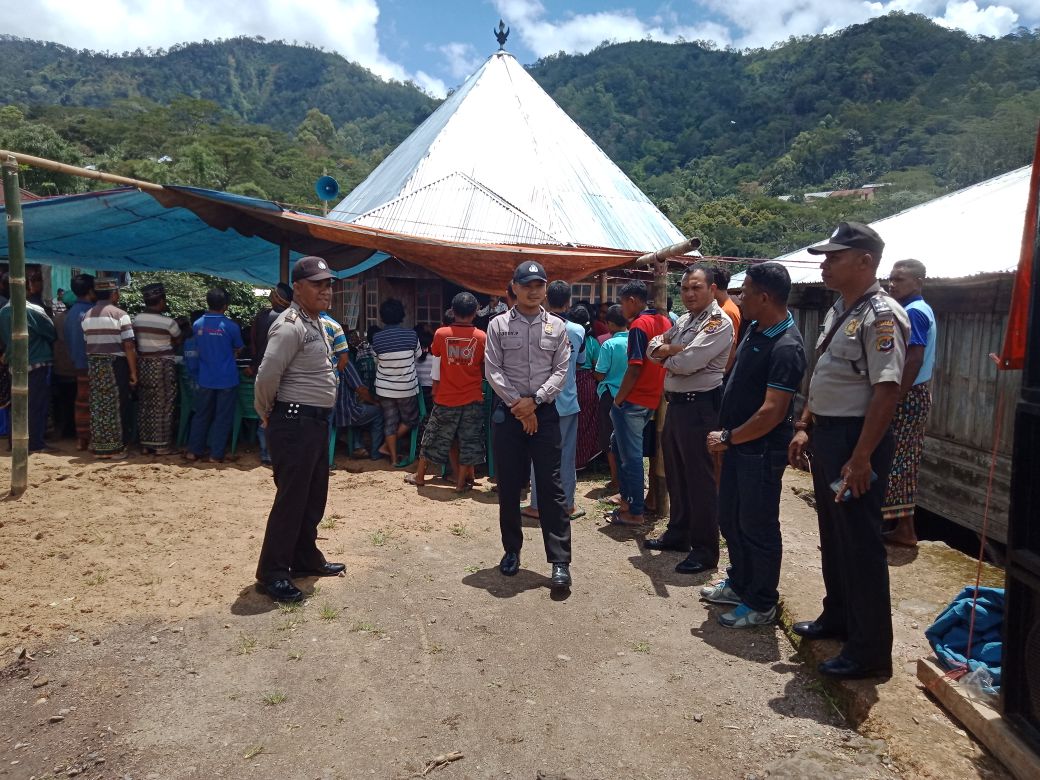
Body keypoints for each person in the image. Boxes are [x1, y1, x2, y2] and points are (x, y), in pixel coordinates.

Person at [788, 221, 909, 679]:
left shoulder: (882, 315)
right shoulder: (843, 309)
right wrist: (804, 425)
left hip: (859, 441)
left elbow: (886, 390)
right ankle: (837, 616)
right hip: (830, 434)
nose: (825, 263)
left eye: (835, 256)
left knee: (859, 544)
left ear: (865, 261)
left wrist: (860, 458)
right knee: (835, 536)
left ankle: (869, 651)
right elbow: (826, 378)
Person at [705, 263, 806, 628]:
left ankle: (761, 601)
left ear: (764, 297)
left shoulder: (786, 346)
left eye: (744, 291)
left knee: (757, 524)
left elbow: (772, 412)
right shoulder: (755, 329)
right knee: (731, 517)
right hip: (739, 445)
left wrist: (730, 436)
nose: (738, 297)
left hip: (760, 450)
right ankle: (740, 583)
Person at [254, 256, 344, 603]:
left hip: (313, 423)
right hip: (294, 421)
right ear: (298, 288)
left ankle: (305, 557)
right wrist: (266, 412)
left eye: (329, 284)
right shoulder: (290, 324)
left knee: (312, 496)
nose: (326, 290)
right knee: (292, 499)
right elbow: (267, 375)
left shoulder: (316, 322)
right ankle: (273, 572)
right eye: (318, 284)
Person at [485, 261, 572, 588]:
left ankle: (560, 561)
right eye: (527, 285)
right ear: (515, 288)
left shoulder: (558, 327)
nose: (534, 290)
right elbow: (493, 370)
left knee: (551, 488)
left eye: (540, 284)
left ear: (546, 288)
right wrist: (519, 406)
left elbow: (561, 370)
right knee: (509, 486)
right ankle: (511, 551)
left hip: (544, 412)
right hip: (509, 414)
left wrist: (534, 401)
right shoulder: (498, 325)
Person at [644, 265, 732, 574]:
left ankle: (705, 549)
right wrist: (671, 349)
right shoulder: (684, 320)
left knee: (700, 480)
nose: (689, 293)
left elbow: (687, 363)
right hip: (678, 406)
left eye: (696, 288)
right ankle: (678, 533)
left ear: (711, 289)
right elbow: (652, 346)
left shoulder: (718, 323)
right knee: (677, 474)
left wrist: (669, 353)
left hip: (701, 408)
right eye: (685, 288)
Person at [881, 259, 937, 547]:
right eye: (891, 279)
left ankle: (900, 529)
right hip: (916, 393)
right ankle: (904, 528)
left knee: (895, 459)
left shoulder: (914, 312)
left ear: (918, 282)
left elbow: (914, 357)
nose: (893, 284)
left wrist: (895, 395)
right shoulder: (919, 309)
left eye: (900, 279)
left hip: (908, 394)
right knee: (906, 460)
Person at [606, 281, 671, 526]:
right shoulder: (665, 322)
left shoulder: (638, 326)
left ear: (632, 300)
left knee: (629, 456)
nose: (621, 308)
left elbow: (634, 368)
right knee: (619, 445)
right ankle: (628, 500)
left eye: (622, 302)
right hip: (652, 399)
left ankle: (634, 510)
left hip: (634, 400)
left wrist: (618, 400)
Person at [408, 292, 487, 491]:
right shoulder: (481, 337)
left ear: (453, 310)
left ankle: (420, 476)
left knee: (433, 436)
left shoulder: (441, 334)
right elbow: (484, 367)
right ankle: (461, 483)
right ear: (476, 312)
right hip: (472, 397)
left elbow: (436, 357)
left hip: (446, 397)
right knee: (468, 440)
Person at [523, 281, 585, 520]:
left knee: (539, 455)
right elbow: (580, 363)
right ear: (569, 302)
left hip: (540, 401)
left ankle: (537, 506)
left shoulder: (536, 327)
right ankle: (567, 505)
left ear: (546, 299)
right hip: (567, 400)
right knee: (566, 456)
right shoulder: (578, 331)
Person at [185, 288, 243, 463]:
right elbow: (239, 347)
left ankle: (193, 451)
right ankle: (215, 455)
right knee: (222, 417)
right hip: (227, 379)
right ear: (225, 306)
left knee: (201, 415)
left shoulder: (197, 325)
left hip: (205, 378)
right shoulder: (231, 327)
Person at [82, 278, 137, 459]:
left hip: (95, 366)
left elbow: (87, 342)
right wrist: (133, 372)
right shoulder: (120, 315)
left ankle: (100, 446)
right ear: (114, 294)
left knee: (99, 405)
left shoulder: (87, 315)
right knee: (117, 404)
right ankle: (116, 449)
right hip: (115, 364)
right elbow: (128, 346)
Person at [0, 281, 57, 453]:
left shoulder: (3, 312)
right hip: (36, 363)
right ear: (25, 289)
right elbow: (51, 333)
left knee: (16, 405)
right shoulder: (33, 310)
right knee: (35, 405)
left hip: (14, 364)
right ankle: (35, 444)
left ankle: (14, 442)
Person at [133, 283, 182, 455]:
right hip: (162, 365)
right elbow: (177, 340)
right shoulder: (168, 322)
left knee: (146, 403)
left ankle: (146, 444)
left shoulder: (137, 319)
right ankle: (162, 445)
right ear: (161, 301)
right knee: (165, 404)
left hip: (144, 364)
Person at [371, 298, 421, 465]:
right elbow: (418, 355)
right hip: (406, 387)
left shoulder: (377, 338)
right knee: (410, 420)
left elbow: (376, 361)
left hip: (384, 389)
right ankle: (385, 446)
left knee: (390, 421)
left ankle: (392, 457)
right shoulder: (412, 335)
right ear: (401, 315)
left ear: (382, 317)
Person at [251, 283, 293, 465]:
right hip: (282, 372)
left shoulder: (262, 317)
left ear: (277, 297)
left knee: (266, 413)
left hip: (263, 369)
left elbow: (253, 345)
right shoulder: (289, 319)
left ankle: (265, 451)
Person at [593, 305, 628, 491]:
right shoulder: (636, 339)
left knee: (609, 438)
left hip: (610, 395)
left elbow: (599, 373)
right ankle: (629, 479)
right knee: (628, 439)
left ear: (610, 324)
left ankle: (615, 480)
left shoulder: (609, 344)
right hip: (631, 395)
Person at [64, 274, 95, 450]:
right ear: (91, 291)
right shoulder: (92, 313)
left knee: (82, 400)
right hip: (93, 363)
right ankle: (93, 436)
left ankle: (81, 438)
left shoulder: (71, 314)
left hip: (78, 363)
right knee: (97, 401)